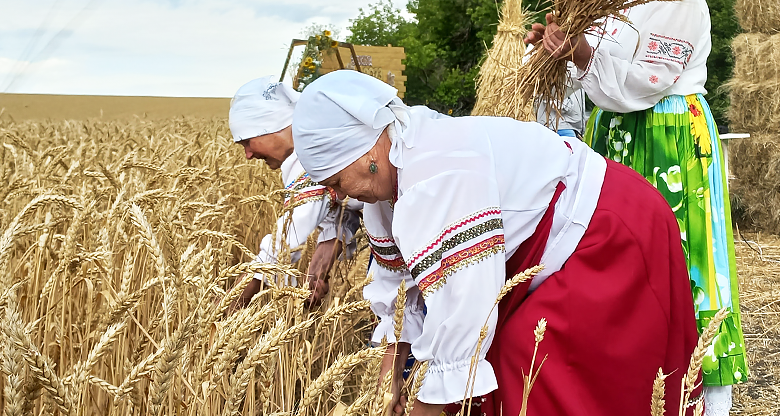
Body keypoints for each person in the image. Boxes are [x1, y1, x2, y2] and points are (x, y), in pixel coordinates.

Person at [291, 70, 699, 416]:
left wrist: (425, 407)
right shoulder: (386, 185)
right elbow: (400, 292)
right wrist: (391, 373)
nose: (339, 197)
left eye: (335, 182)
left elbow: (465, 311)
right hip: (560, 246)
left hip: (606, 229)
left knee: (530, 367)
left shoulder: (434, 171)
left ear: (364, 155)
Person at [525, 0, 747, 412]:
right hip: (615, 136)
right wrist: (561, 47)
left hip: (668, 137)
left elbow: (648, 82)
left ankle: (706, 402)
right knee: (616, 267)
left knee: (688, 267)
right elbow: (599, 79)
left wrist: (581, 52)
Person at [228, 76, 361, 306]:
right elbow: (341, 215)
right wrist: (317, 271)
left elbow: (283, 244)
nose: (248, 154)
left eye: (248, 141)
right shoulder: (317, 137)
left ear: (272, 126)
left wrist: (224, 311)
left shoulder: (309, 152)